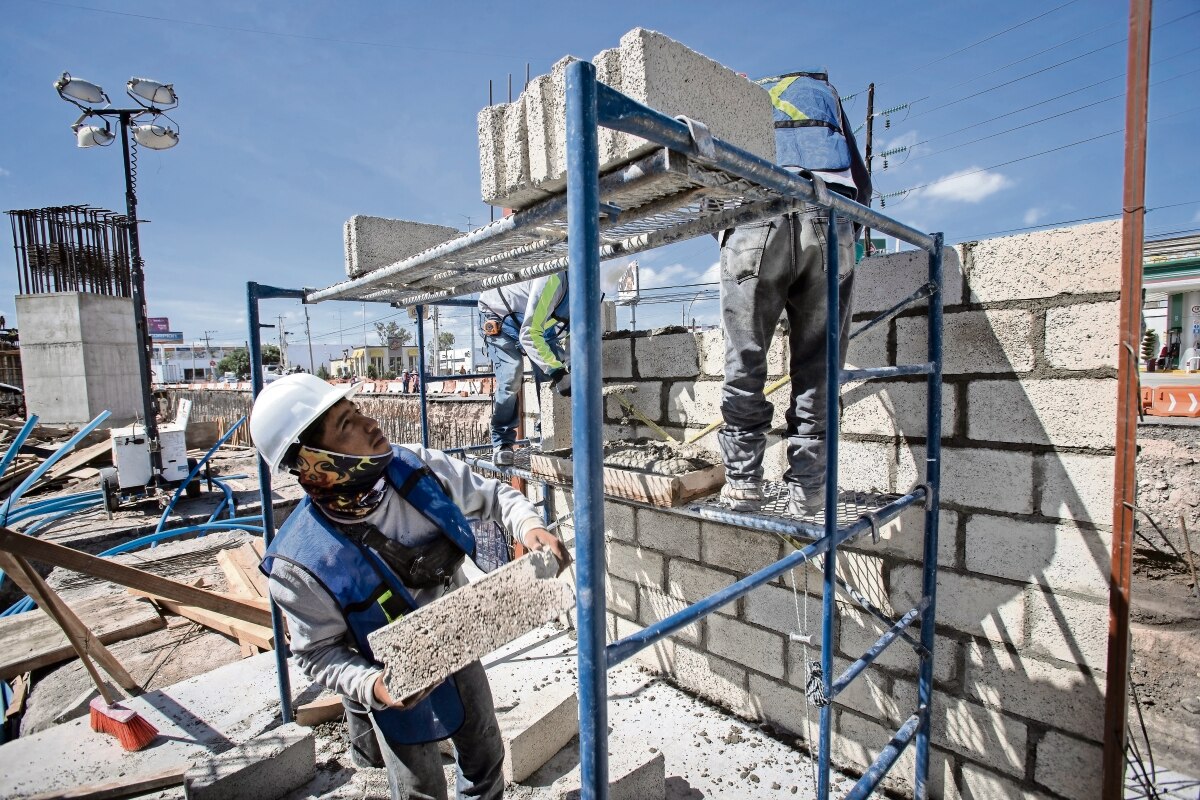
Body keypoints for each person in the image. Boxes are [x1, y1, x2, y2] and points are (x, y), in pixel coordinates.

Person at [249, 373, 570, 799]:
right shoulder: (300, 564)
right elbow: (316, 652)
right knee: (420, 786)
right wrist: (373, 687)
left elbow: (494, 495)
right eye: (346, 425)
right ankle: (365, 732)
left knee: (484, 755)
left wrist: (529, 527)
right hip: (388, 673)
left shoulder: (415, 468)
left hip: (452, 635)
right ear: (314, 461)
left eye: (357, 410)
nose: (369, 423)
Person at [717, 68, 871, 517]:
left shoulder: (738, 94)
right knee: (819, 369)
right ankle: (808, 489)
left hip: (752, 213)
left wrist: (730, 239)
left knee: (744, 360)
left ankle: (744, 483)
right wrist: (849, 236)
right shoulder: (825, 92)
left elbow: (711, 176)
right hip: (830, 213)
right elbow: (860, 183)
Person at [477, 273, 570, 466]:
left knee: (547, 378)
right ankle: (502, 442)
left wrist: (566, 362)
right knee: (512, 374)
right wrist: (559, 372)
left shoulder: (582, 292)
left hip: (535, 316)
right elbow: (529, 335)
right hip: (498, 314)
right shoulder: (552, 281)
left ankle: (548, 432)